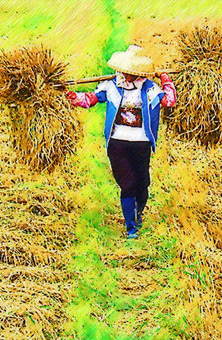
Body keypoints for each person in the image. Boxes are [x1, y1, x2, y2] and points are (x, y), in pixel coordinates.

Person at [65, 45, 177, 239]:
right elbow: (89, 99)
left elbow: (169, 101)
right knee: (127, 184)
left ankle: (138, 211)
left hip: (141, 143)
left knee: (142, 184)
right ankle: (131, 229)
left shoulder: (150, 88)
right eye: (124, 71)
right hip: (117, 143)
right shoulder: (111, 86)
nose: (126, 75)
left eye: (130, 72)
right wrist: (70, 96)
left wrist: (166, 78)